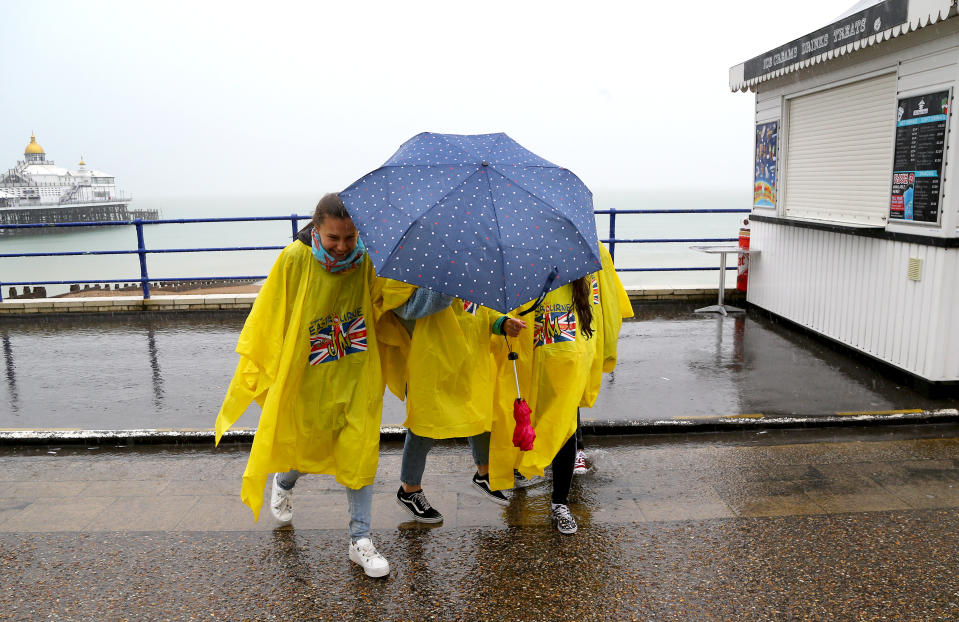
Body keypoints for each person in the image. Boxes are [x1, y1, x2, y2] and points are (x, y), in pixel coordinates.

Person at [214, 193, 403, 578]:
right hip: (308, 374)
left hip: (357, 372)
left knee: (359, 451)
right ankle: (284, 481)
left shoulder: (368, 259)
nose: (342, 247)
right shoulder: (295, 259)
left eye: (350, 238)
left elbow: (385, 304)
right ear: (316, 229)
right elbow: (269, 315)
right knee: (306, 441)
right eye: (333, 238)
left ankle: (360, 541)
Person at [488, 243, 632, 534]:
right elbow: (500, 310)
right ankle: (539, 483)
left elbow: (603, 308)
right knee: (535, 424)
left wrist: (599, 355)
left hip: (570, 362)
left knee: (563, 427)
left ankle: (559, 502)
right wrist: (502, 323)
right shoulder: (524, 256)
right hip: (536, 359)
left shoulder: (587, 256)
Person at [378, 281, 525, 523]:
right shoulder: (419, 271)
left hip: (470, 360)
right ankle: (409, 489)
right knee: (425, 426)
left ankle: (485, 473)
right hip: (433, 361)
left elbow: (481, 312)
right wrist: (446, 280)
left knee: (479, 415)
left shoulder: (473, 270)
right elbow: (408, 308)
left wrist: (501, 323)